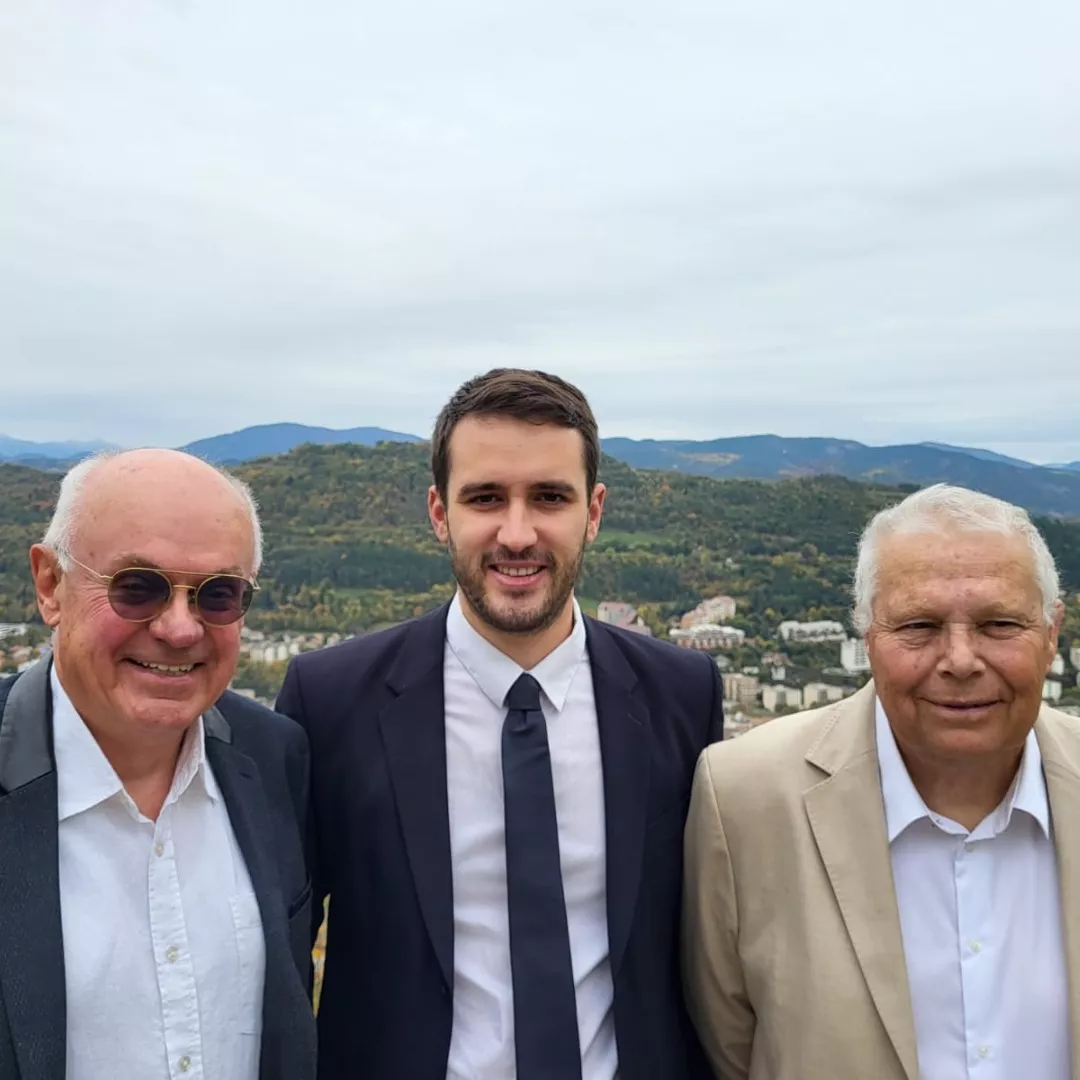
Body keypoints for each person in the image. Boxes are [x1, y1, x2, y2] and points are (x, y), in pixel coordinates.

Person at [276, 368, 723, 1080]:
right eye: (485, 498)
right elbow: (287, 948)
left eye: (550, 497)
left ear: (595, 511)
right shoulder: (332, 700)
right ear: (438, 512)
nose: (517, 533)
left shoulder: (681, 692)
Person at [682, 483, 1078, 1080]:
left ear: (1052, 633)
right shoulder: (744, 799)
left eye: (999, 624)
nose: (961, 660)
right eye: (919, 625)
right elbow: (729, 1048)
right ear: (866, 637)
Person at [0, 449, 316, 1080]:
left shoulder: (274, 757)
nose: (178, 628)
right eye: (136, 587)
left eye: (218, 594)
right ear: (50, 584)